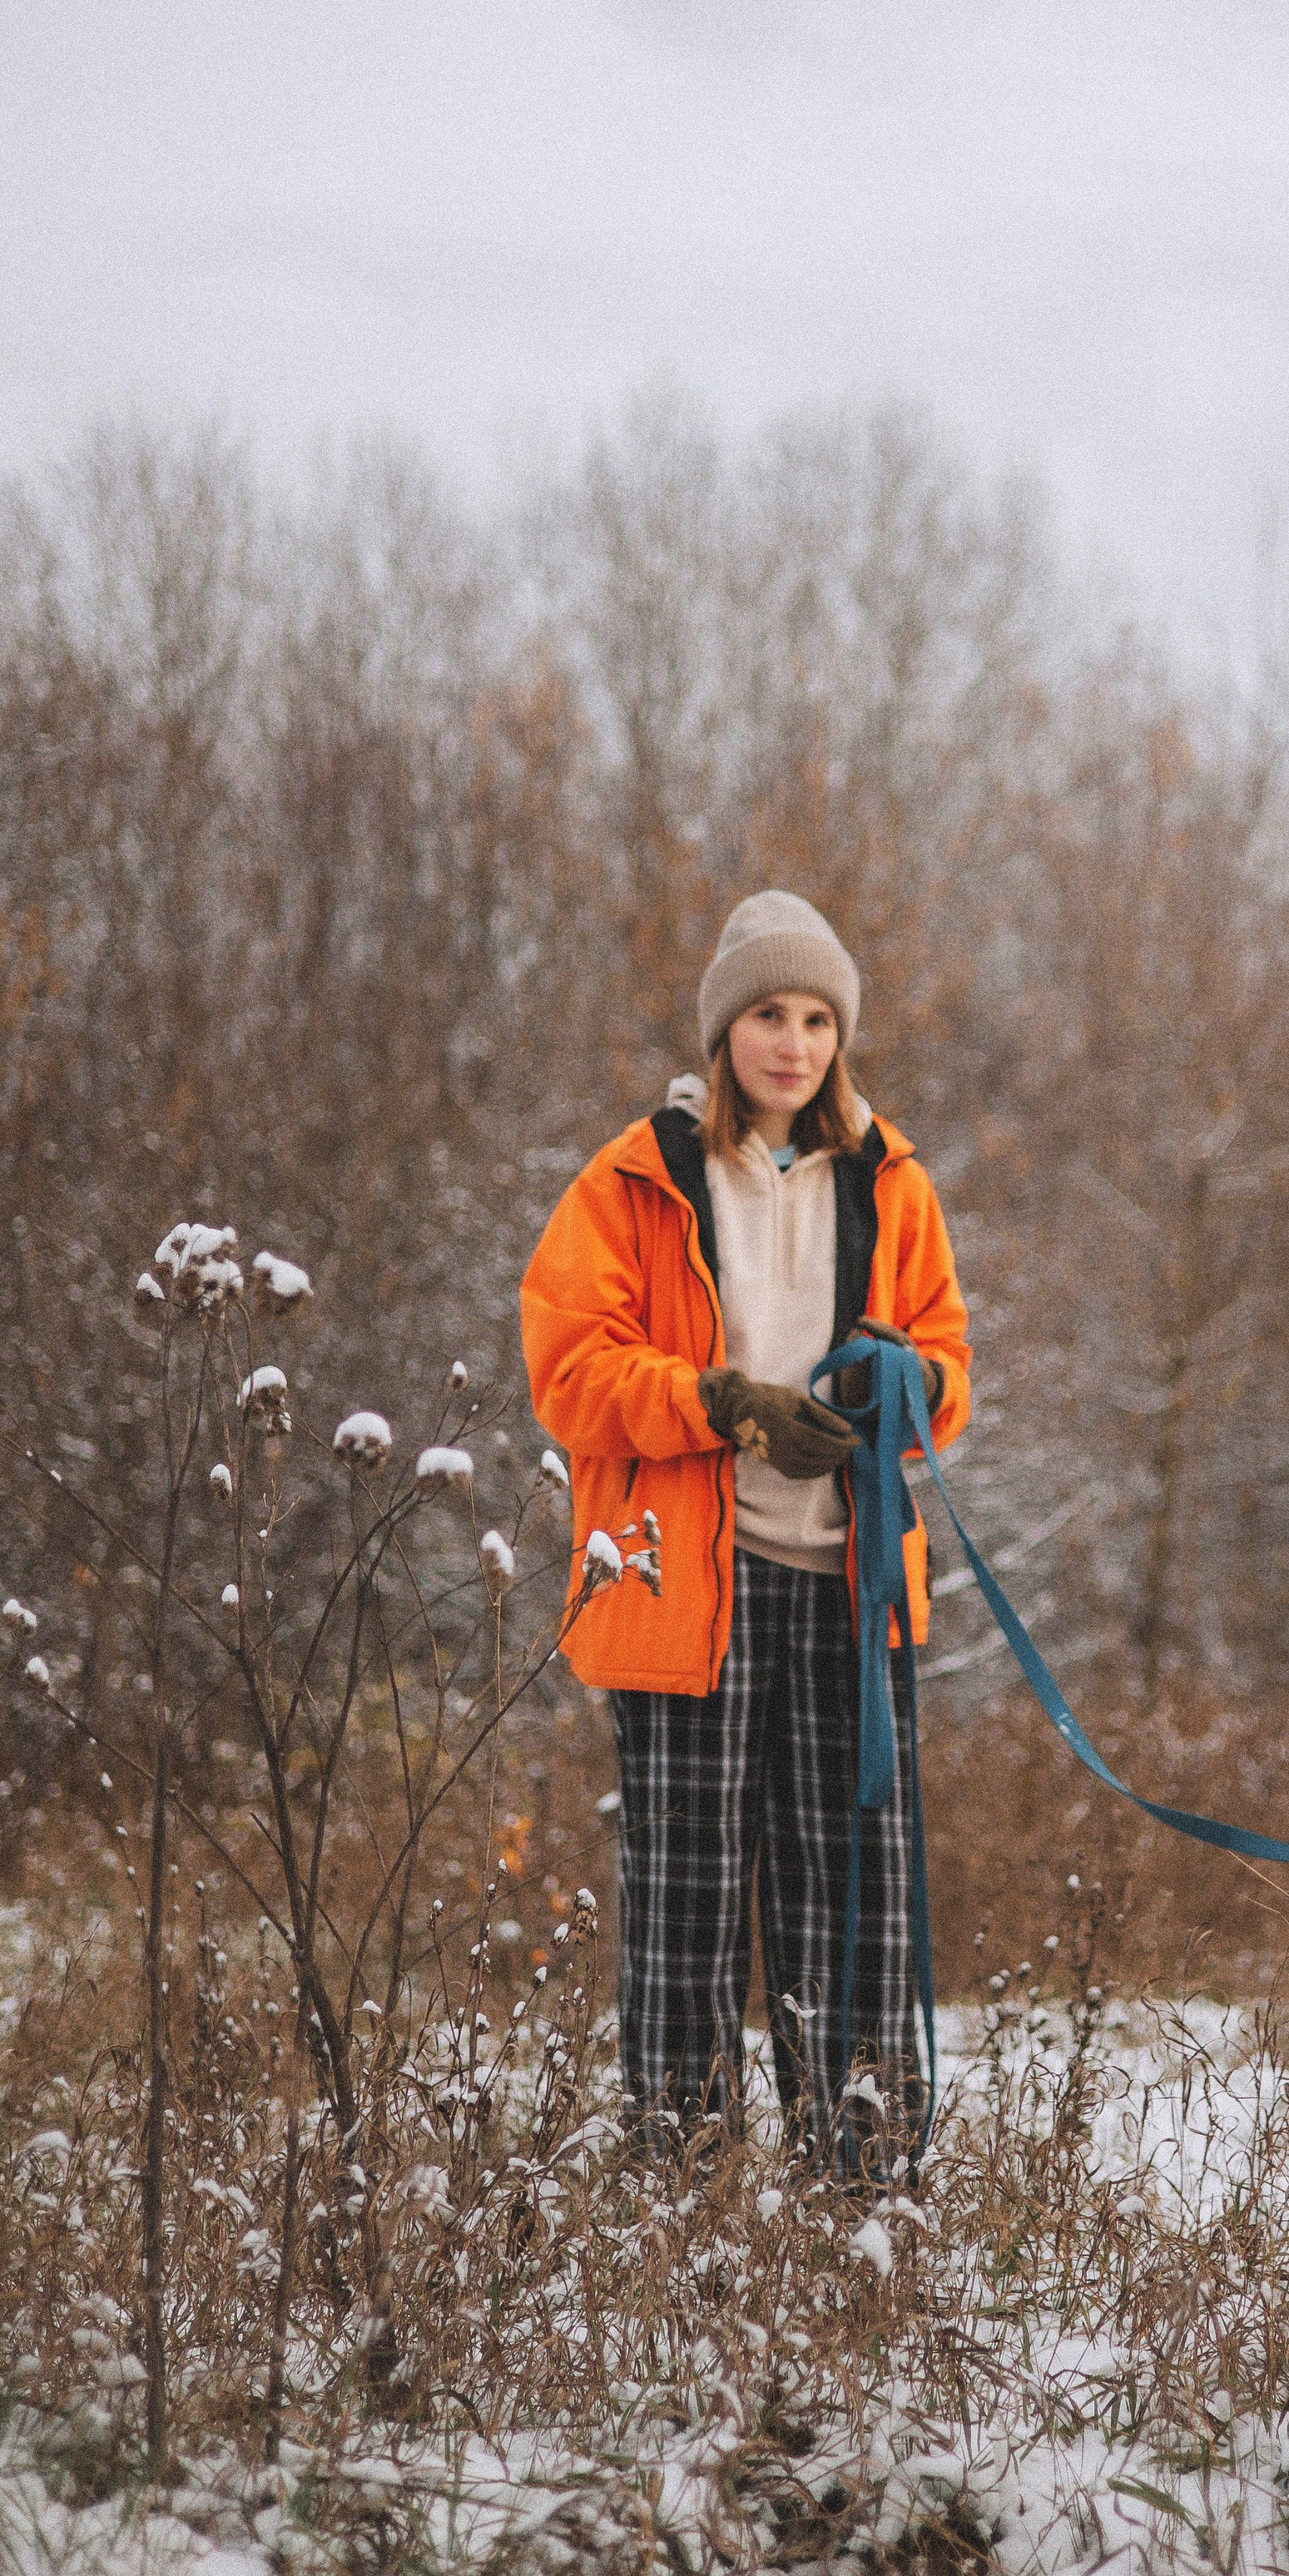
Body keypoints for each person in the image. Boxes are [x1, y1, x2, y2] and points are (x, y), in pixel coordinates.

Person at [520, 889, 971, 2163]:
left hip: (852, 1586)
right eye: (770, 1014)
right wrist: (719, 1405)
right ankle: (685, 2195)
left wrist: (908, 1382)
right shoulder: (633, 1181)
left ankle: (865, 2183)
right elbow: (570, 1374)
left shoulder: (893, 1178)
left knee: (853, 1900)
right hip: (678, 1593)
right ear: (726, 1030)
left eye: (819, 1017)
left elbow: (948, 1362)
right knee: (688, 1904)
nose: (795, 1042)